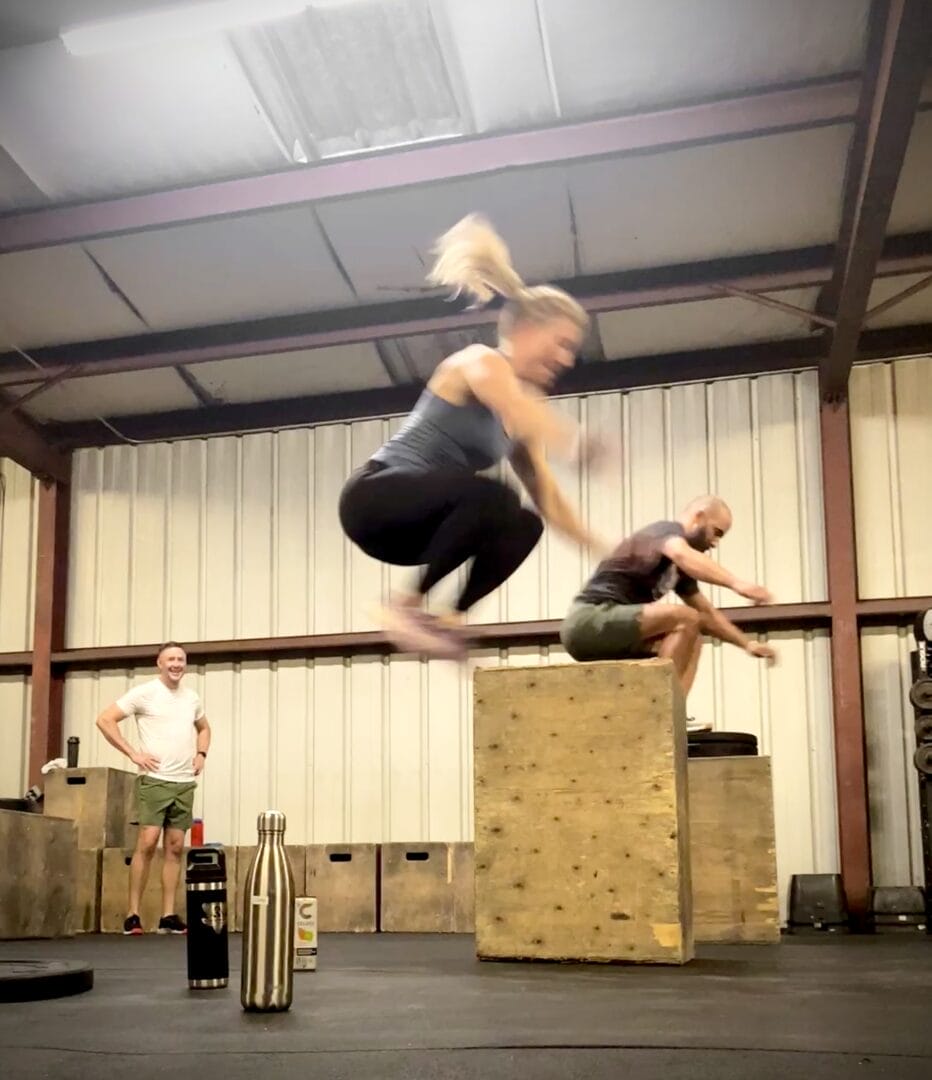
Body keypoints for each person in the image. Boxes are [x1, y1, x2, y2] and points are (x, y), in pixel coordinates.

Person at [339, 214, 611, 658]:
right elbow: (518, 406)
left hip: (418, 536)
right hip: (374, 502)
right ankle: (405, 605)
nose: (565, 359)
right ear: (525, 330)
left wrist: (605, 548)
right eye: (560, 343)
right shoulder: (480, 363)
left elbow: (549, 499)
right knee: (496, 497)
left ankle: (448, 619)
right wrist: (576, 442)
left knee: (525, 522)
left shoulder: (522, 416)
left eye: (570, 350)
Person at [560, 496, 777, 705]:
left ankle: (675, 713)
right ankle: (663, 707)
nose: (715, 543)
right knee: (685, 618)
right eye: (716, 532)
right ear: (699, 517)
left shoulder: (678, 571)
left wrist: (747, 644)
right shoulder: (665, 531)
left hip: (612, 631)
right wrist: (737, 583)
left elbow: (707, 614)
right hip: (588, 620)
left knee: (693, 637)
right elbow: (683, 555)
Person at [95, 641, 210, 935]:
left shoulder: (191, 698)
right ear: (159, 663)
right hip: (155, 780)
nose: (176, 664)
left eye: (180, 660)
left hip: (184, 782)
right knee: (147, 842)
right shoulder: (145, 693)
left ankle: (168, 916)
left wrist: (201, 754)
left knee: (174, 847)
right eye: (170, 659)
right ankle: (133, 914)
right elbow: (105, 719)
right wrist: (133, 753)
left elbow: (205, 728)